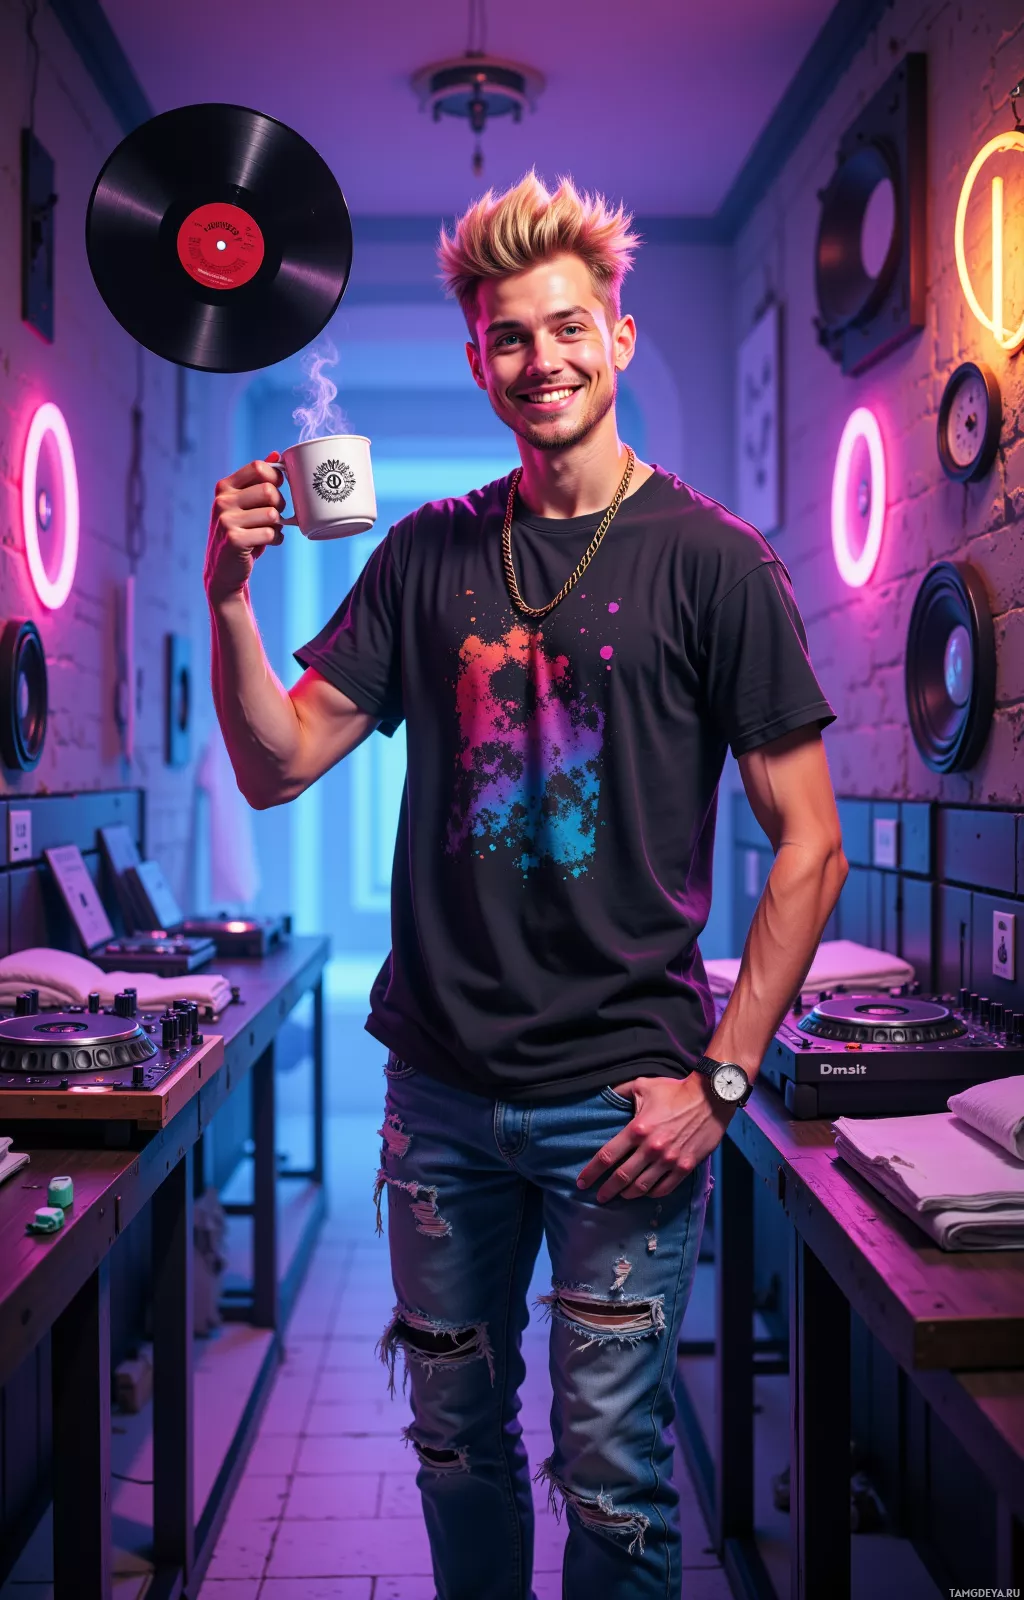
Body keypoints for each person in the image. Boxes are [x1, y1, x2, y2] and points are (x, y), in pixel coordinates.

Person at [205, 171, 847, 1600]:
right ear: (478, 357)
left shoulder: (716, 564)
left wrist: (726, 1080)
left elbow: (811, 840)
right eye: (510, 337)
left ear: (618, 337)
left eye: (569, 328)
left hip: (628, 1103)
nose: (542, 359)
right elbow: (275, 764)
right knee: (456, 1448)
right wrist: (229, 597)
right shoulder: (427, 552)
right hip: (438, 1104)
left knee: (614, 1481)